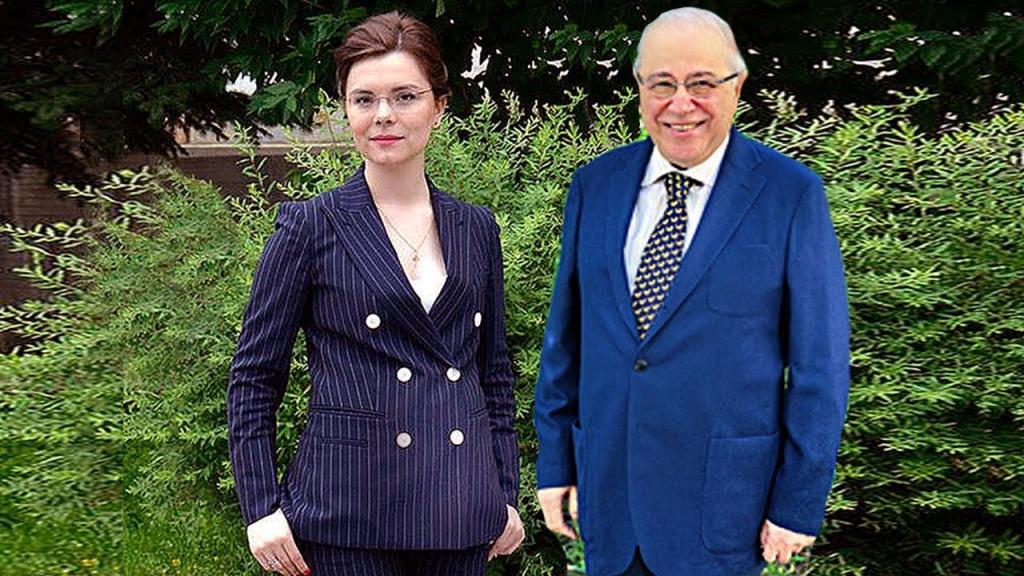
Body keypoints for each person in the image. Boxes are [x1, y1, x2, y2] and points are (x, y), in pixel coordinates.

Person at [532, 7, 850, 576]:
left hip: (723, 512)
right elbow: (567, 340)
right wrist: (556, 465)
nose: (681, 104)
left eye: (701, 83)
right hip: (609, 501)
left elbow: (819, 369)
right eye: (662, 84)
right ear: (639, 88)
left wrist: (797, 504)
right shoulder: (595, 185)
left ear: (737, 86)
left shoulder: (790, 194)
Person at [227, 12, 523, 576]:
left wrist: (504, 492)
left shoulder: (476, 227)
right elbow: (255, 376)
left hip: (461, 513)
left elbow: (494, 374)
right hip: (345, 517)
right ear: (346, 110)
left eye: (404, 96)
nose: (383, 114)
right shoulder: (311, 227)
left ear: (439, 107)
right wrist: (260, 508)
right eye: (364, 99)